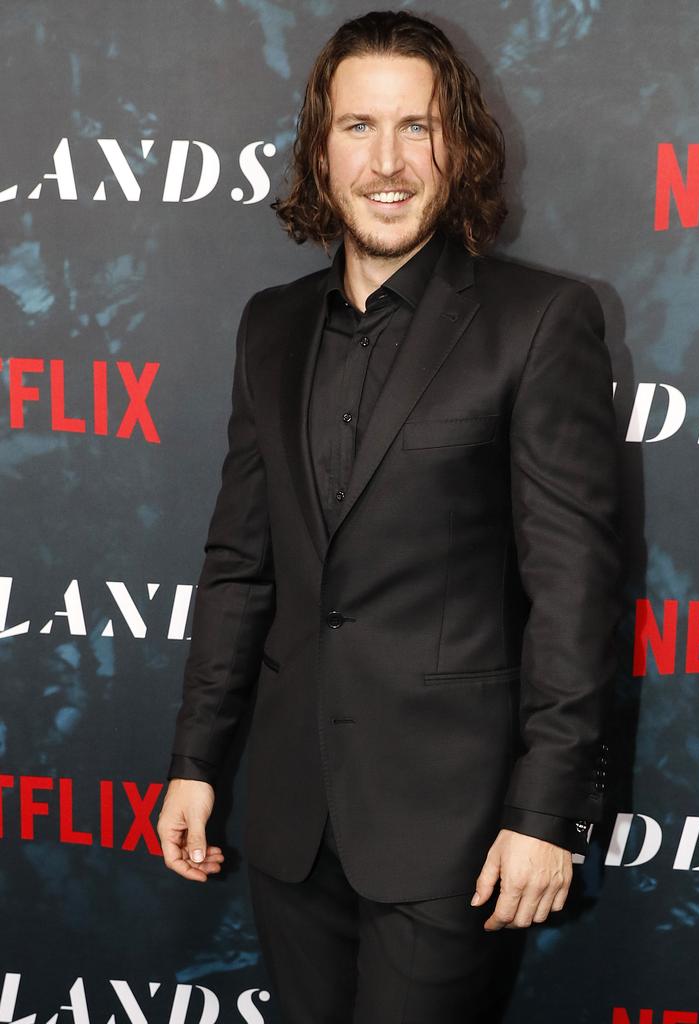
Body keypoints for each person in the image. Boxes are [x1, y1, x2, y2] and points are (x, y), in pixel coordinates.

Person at [157, 9, 622, 1022]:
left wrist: (546, 813)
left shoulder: (539, 322)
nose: (389, 160)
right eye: (359, 127)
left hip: (450, 824)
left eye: (418, 127)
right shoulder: (269, 326)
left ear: (459, 149)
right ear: (320, 154)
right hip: (291, 815)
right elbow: (241, 566)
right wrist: (196, 760)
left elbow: (573, 592)